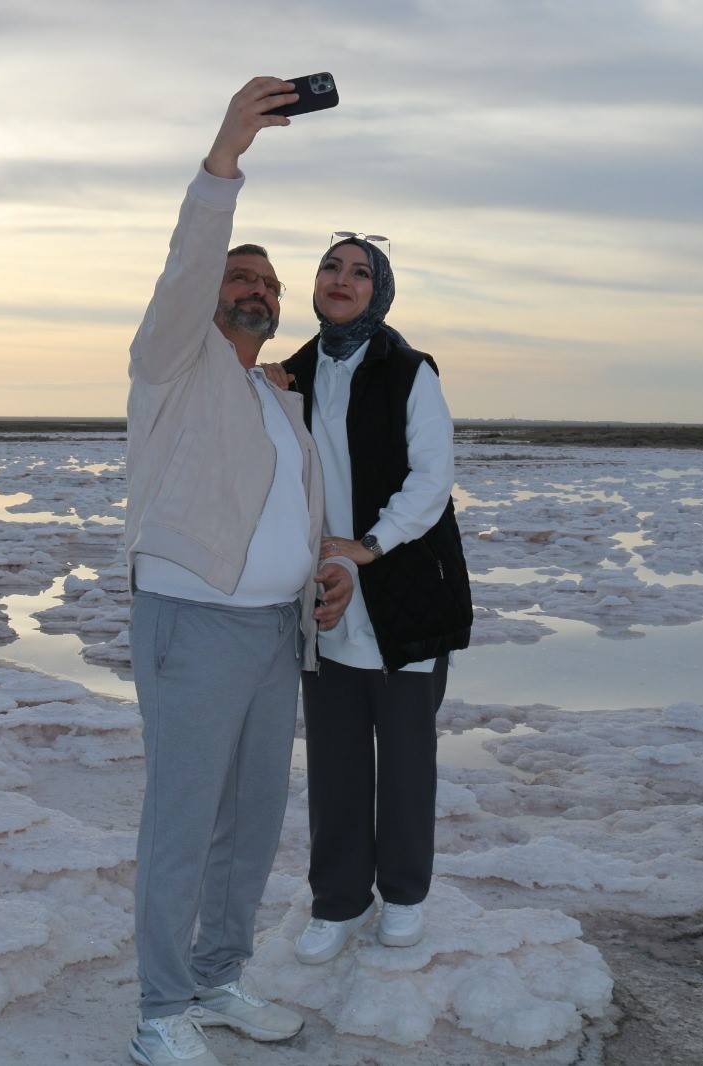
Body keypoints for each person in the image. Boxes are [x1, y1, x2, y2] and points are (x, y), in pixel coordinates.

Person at [124, 78, 359, 1066]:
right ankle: (159, 1013)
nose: (258, 291)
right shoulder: (171, 363)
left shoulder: (275, 398)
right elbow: (189, 262)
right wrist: (227, 151)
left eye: (268, 284)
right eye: (242, 278)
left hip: (273, 633)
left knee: (252, 824)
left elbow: (289, 506)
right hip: (194, 625)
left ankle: (219, 979)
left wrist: (327, 564)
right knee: (184, 822)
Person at [276, 234, 473, 966]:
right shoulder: (289, 375)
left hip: (402, 596)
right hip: (321, 598)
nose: (343, 279)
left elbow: (431, 481)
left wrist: (369, 546)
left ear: (378, 291)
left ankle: (406, 896)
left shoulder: (410, 372)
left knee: (406, 762)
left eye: (361, 272)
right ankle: (337, 902)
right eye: (332, 266)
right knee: (333, 762)